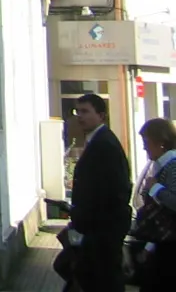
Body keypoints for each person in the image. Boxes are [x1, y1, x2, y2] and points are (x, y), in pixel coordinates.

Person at [68, 93, 133, 292]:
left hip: (103, 229)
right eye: (77, 112)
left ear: (101, 115)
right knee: (90, 277)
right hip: (98, 228)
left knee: (103, 280)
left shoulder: (104, 144)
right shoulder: (97, 141)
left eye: (85, 111)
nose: (80, 116)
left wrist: (86, 217)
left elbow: (114, 189)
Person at [129, 118, 176, 289]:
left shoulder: (172, 166)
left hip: (171, 248)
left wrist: (155, 187)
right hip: (162, 243)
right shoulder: (159, 165)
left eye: (146, 141)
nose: (143, 147)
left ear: (161, 142)